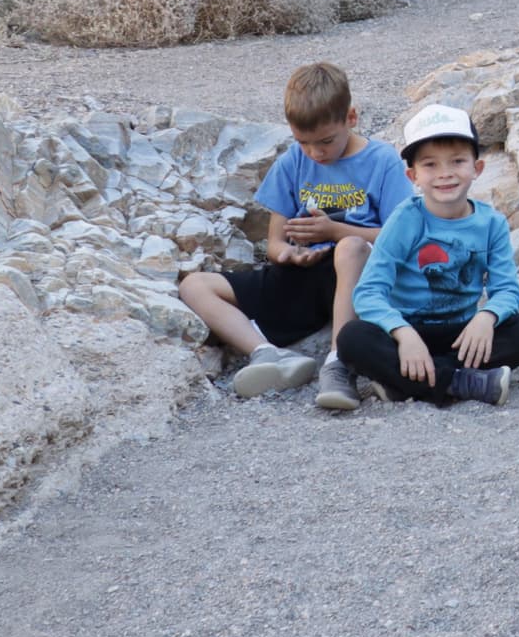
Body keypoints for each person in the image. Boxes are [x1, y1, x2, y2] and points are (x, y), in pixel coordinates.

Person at [170, 62, 414, 408]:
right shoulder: (292, 162)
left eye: (326, 141)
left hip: (355, 276)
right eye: (304, 142)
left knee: (351, 247)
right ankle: (267, 353)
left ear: (351, 117)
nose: (316, 153)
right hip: (300, 276)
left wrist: (335, 230)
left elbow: (399, 236)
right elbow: (274, 243)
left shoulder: (383, 160)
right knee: (194, 285)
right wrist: (289, 254)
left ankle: (338, 363)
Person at [334, 104, 519, 407]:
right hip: (407, 331)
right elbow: (368, 292)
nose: (445, 173)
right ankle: (460, 381)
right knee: (352, 338)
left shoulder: (492, 223)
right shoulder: (404, 219)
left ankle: (408, 383)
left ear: (477, 168)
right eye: (430, 164)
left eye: (457, 161)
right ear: (413, 175)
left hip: (461, 334)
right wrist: (402, 333)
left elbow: (507, 290)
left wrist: (487, 317)